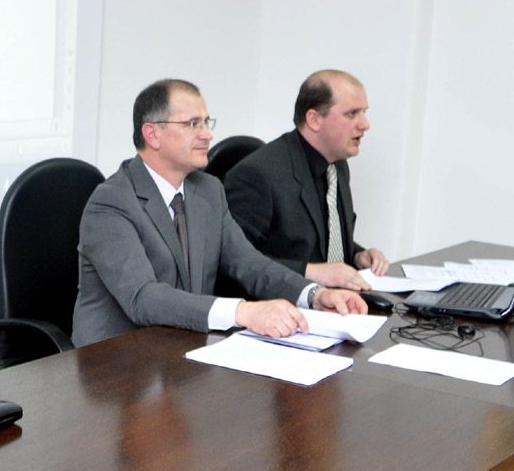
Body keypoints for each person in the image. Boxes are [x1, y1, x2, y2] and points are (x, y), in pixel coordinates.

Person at [71, 79, 367, 347]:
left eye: (206, 122)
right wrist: (243, 311)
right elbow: (143, 298)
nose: (207, 135)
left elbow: (249, 263)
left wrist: (315, 294)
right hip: (116, 362)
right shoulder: (111, 203)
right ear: (153, 134)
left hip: (184, 348)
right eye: (193, 124)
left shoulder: (208, 190)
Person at [224, 69, 388, 293]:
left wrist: (357, 255)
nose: (365, 124)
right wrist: (310, 271)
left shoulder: (337, 165)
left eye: (364, 112)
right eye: (351, 114)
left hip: (334, 302)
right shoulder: (257, 175)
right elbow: (234, 263)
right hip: (279, 305)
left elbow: (320, 243)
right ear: (314, 119)